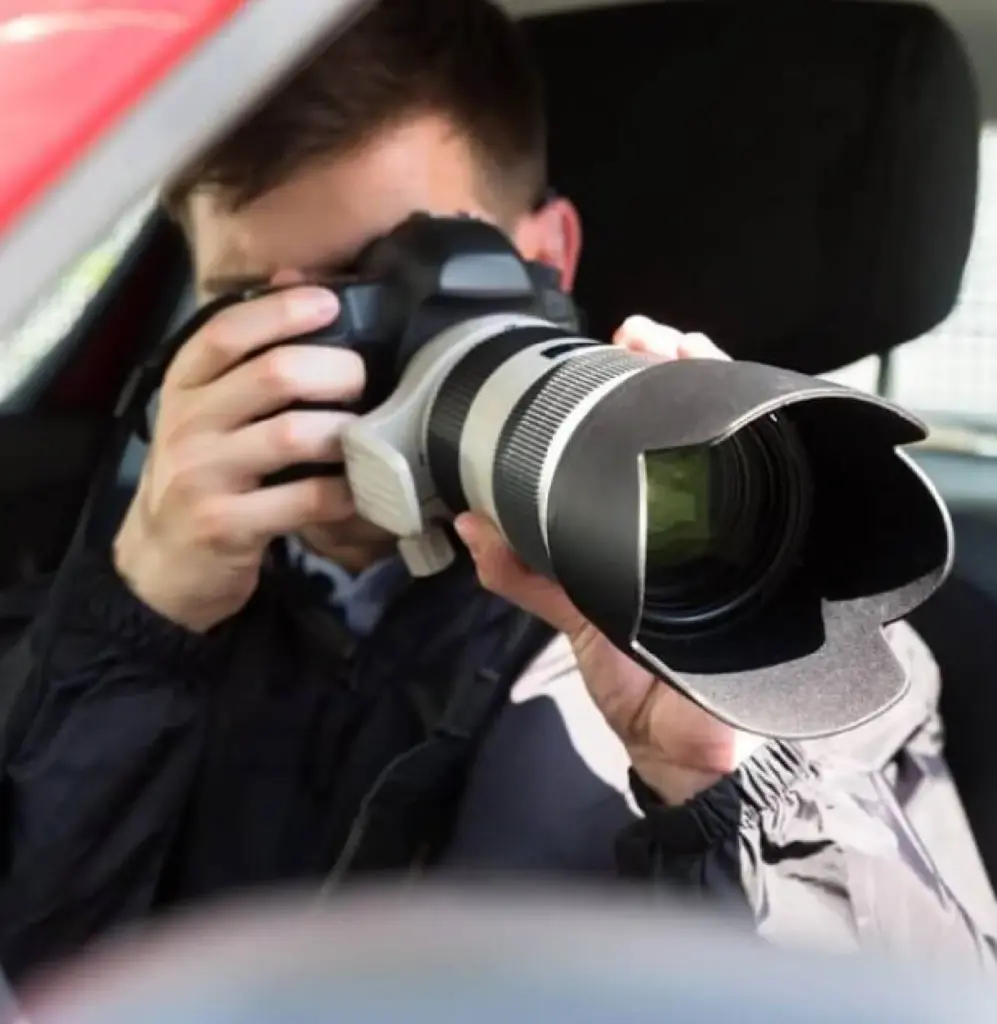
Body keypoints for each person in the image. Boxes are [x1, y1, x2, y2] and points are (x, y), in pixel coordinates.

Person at [0, 0, 994, 984]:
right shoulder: (132, 604)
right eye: (251, 307)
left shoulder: (751, 603)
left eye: (379, 279)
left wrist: (727, 782)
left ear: (546, 256)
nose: (313, 361)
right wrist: (136, 626)